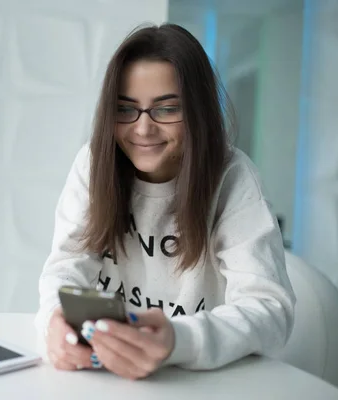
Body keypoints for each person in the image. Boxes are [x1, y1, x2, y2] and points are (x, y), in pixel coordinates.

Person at [34, 23, 295, 380]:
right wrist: (54, 321)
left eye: (167, 109)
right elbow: (66, 266)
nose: (142, 129)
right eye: (125, 110)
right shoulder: (94, 163)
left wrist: (179, 339)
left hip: (199, 379)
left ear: (199, 111)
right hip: (108, 375)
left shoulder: (232, 176)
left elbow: (271, 309)